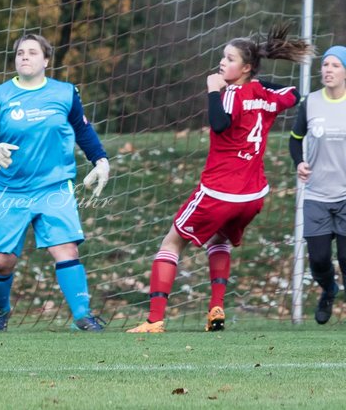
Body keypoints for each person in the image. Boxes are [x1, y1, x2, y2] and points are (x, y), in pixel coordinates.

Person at [127, 24, 311, 334]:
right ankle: (216, 308)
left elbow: (219, 123)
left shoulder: (230, 94)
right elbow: (293, 94)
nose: (222, 63)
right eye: (223, 58)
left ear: (245, 67)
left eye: (229, 59)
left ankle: (154, 320)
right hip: (252, 196)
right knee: (220, 240)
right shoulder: (264, 93)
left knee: (171, 243)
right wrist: (256, 85)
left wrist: (214, 90)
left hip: (219, 192)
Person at [0, 32, 110, 333]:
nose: (25, 57)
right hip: (10, 190)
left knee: (66, 250)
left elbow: (82, 130)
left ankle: (82, 317)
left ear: (46, 60)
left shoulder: (65, 93)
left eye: (32, 52)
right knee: (1, 262)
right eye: (20, 52)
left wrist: (100, 159)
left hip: (54, 187)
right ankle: (2, 310)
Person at [289, 44, 346, 325]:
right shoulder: (310, 102)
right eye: (325, 65)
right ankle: (328, 290)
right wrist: (299, 162)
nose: (328, 70)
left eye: (335, 65)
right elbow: (294, 139)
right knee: (319, 260)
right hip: (317, 195)